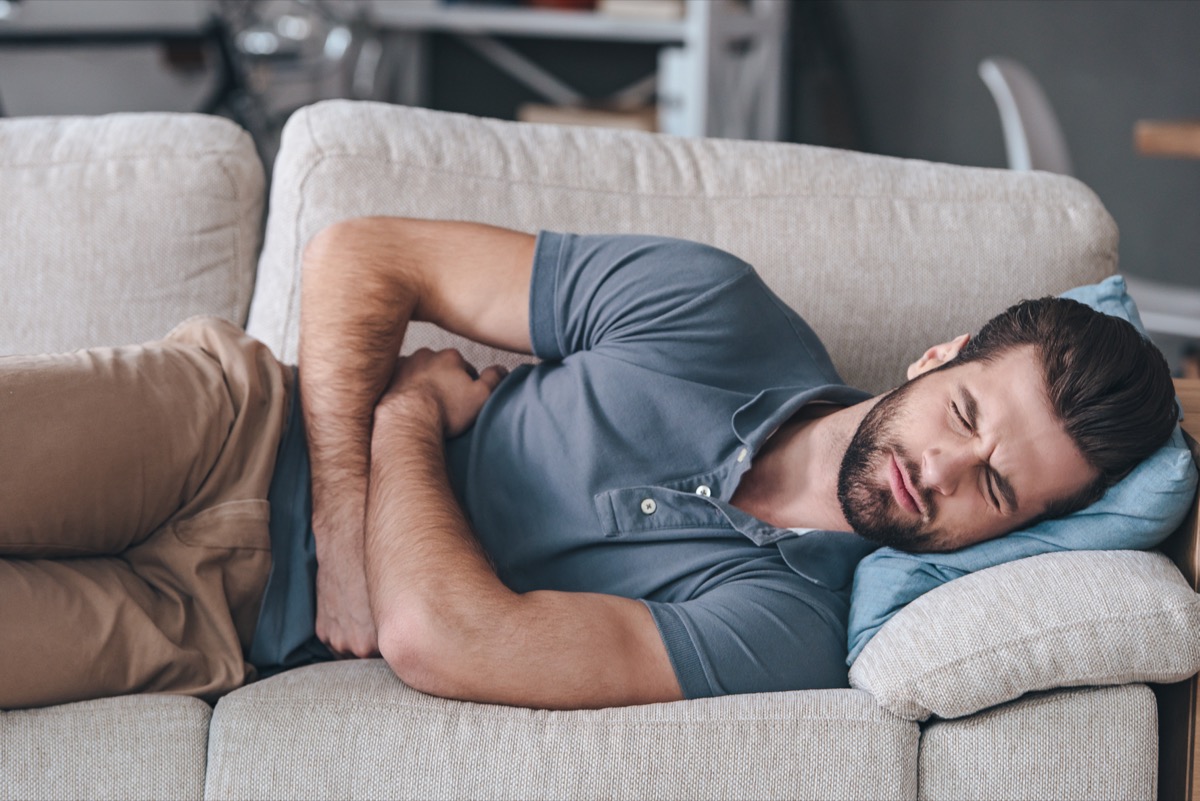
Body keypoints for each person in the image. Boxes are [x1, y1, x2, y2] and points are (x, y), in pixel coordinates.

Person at [0, 218, 1178, 712]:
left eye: (1000, 490)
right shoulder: (714, 310)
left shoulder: (789, 628)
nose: (944, 472)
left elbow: (435, 639)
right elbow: (369, 252)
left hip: (218, 624)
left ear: (1012, 534)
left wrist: (411, 420)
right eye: (964, 413)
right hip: (229, 428)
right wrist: (349, 507)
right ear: (938, 357)